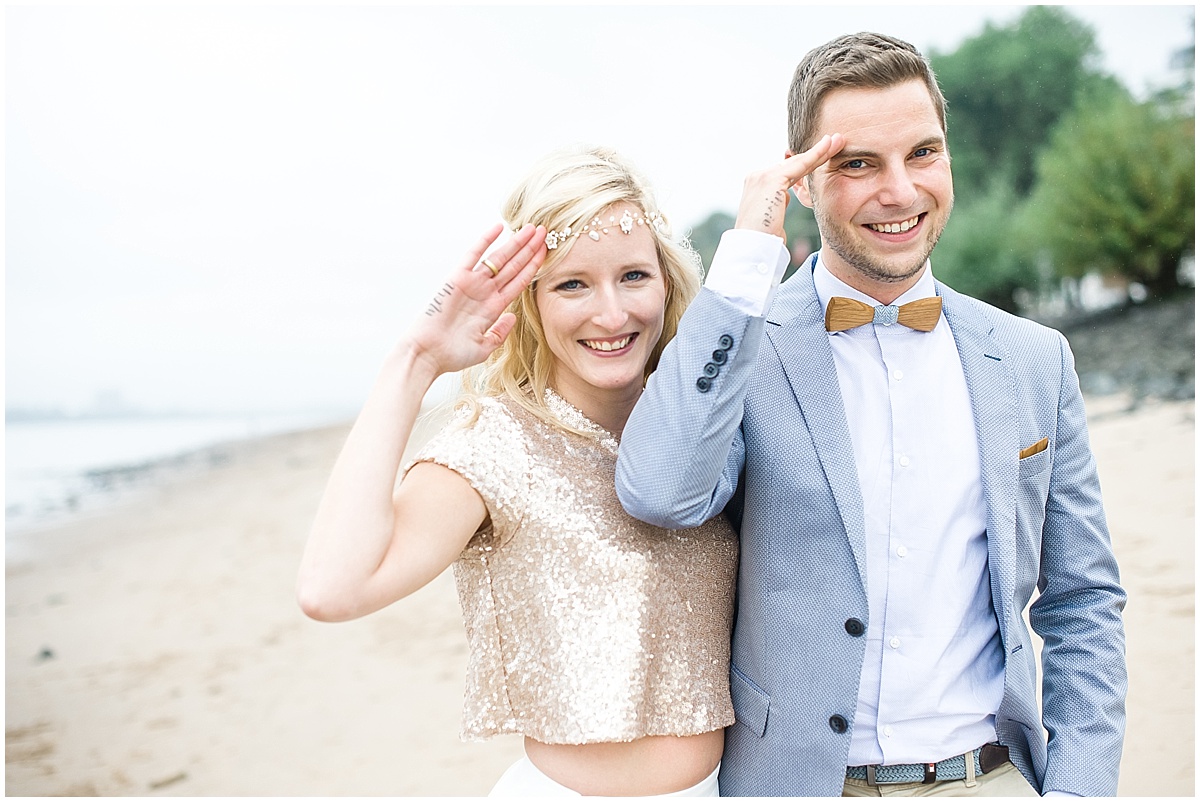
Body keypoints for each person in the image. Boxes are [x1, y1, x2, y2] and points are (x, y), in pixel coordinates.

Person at [615, 32, 1127, 797]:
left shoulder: (1034, 358)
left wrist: (1081, 787)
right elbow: (660, 493)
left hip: (991, 778)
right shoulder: (740, 351)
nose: (900, 191)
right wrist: (745, 263)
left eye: (923, 153)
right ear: (803, 183)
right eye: (857, 164)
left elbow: (1082, 597)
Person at [296, 146, 738, 797]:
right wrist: (414, 361)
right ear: (530, 300)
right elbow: (332, 590)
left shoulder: (709, 429)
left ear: (667, 280)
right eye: (572, 284)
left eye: (634, 276)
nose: (612, 314)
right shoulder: (495, 444)